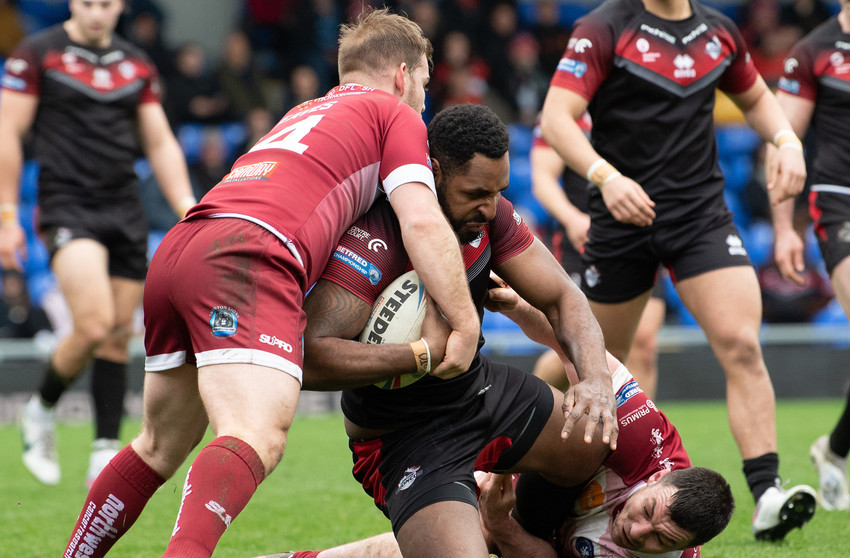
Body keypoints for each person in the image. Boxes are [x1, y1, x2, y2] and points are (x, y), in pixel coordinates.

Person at [61, 8, 482, 558]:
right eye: (424, 83)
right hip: (248, 255)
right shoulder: (392, 113)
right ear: (402, 75)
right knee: (254, 434)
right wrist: (467, 320)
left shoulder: (304, 111)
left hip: (183, 245)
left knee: (158, 446)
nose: (424, 100)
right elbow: (422, 220)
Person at [296, 103, 651, 558]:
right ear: (435, 171)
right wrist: (422, 354)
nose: (490, 206)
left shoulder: (491, 215)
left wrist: (598, 379)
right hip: (402, 435)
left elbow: (564, 297)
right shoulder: (376, 236)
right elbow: (310, 357)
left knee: (589, 441)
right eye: (477, 192)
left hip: (478, 390)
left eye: (499, 191)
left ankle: (514, 536)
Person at [538, 0, 816, 542]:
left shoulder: (719, 32)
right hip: (621, 217)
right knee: (587, 362)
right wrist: (605, 177)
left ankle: (766, 494)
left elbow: (758, 99)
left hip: (700, 216)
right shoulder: (603, 28)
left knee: (741, 343)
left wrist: (785, 140)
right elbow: (555, 118)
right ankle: (506, 421)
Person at [252, 353, 734, 558]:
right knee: (592, 431)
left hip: (529, 533)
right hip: (538, 478)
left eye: (658, 542)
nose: (638, 531)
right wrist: (524, 304)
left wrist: (502, 526)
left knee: (459, 541)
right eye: (648, 513)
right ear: (654, 483)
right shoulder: (640, 439)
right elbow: (588, 360)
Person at [0, 0, 196, 487]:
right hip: (67, 204)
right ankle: (39, 411)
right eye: (88, 3)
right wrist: (7, 213)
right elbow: (8, 128)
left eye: (106, 5)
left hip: (123, 207)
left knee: (116, 336)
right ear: (72, 3)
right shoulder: (36, 54)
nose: (96, 13)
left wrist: (188, 206)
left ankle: (103, 451)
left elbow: (160, 142)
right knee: (91, 325)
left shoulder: (136, 63)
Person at [769, 0, 850, 511]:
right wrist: (783, 228)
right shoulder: (814, 50)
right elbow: (784, 141)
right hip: (840, 201)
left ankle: (835, 448)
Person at [530, 120, 666, 400]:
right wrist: (571, 219)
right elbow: (542, 179)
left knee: (644, 343)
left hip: (641, 240)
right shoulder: (566, 109)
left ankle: (642, 437)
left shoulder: (643, 102)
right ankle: (527, 415)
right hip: (585, 243)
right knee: (575, 348)